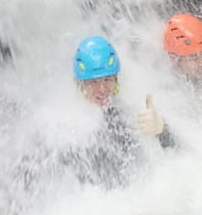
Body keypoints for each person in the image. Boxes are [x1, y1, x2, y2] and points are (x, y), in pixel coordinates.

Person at [63, 36, 174, 188]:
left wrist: (161, 129)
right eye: (93, 82)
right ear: (79, 84)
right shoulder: (64, 130)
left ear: (117, 79)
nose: (102, 89)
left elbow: (180, 154)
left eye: (107, 79)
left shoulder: (124, 113)